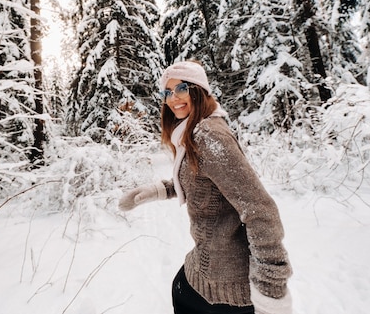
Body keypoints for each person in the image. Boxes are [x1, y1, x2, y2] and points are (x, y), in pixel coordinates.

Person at [119, 61, 293, 314]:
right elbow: (204, 181)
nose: (172, 99)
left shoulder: (209, 136)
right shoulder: (194, 132)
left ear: (198, 90)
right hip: (205, 268)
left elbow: (260, 209)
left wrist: (271, 290)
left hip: (227, 286)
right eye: (166, 92)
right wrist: (159, 190)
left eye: (180, 88)